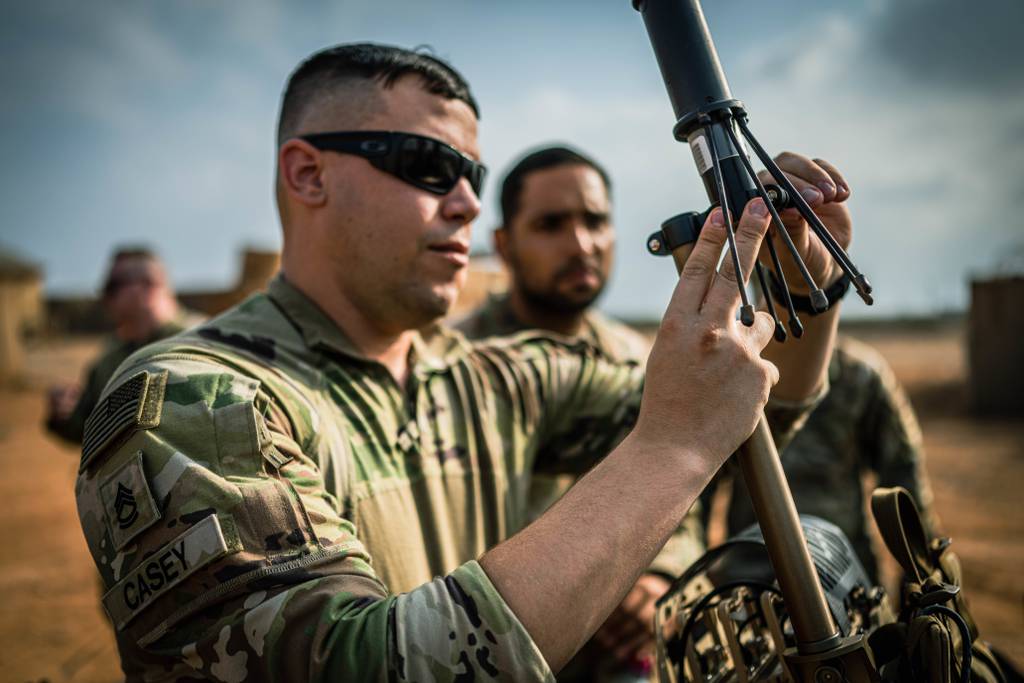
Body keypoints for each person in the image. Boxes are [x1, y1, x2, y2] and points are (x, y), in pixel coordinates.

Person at [74, 43, 855, 681]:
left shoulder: (490, 375)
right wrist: (671, 446)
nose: (469, 205)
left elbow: (737, 426)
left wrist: (802, 281)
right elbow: (353, 666)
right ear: (307, 174)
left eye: (473, 177)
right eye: (426, 165)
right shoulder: (194, 399)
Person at [456, 145, 703, 674]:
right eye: (551, 225)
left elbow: (683, 495)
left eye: (595, 221)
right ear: (504, 244)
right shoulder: (453, 367)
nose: (581, 244)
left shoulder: (644, 363)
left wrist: (657, 578)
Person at [708, 336, 938, 582]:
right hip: (748, 578)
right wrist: (668, 575)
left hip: (845, 579)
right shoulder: (730, 378)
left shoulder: (861, 376)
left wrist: (920, 577)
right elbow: (693, 487)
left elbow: (905, 478)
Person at [46, 248, 198, 444]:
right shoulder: (110, 358)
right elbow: (91, 432)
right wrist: (65, 415)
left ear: (149, 284)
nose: (104, 296)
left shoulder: (203, 343)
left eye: (112, 286)